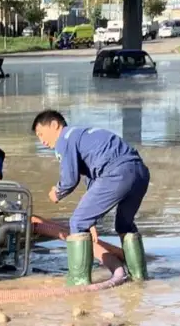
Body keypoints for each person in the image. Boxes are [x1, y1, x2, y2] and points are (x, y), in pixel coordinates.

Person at [31, 109, 150, 285]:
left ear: (55, 125)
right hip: (139, 172)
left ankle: (78, 284)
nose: (42, 141)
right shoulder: (82, 135)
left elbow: (70, 179)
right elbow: (92, 179)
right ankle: (140, 279)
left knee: (77, 223)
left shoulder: (65, 139)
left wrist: (57, 191)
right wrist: (91, 220)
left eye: (41, 134)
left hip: (116, 173)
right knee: (124, 225)